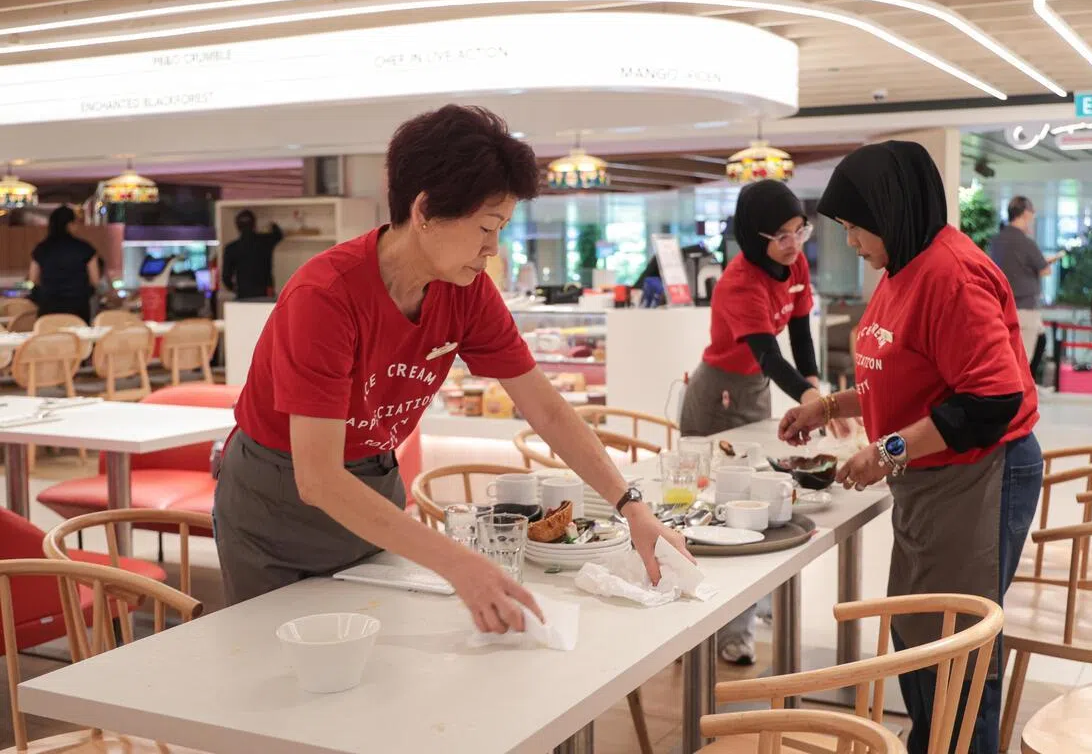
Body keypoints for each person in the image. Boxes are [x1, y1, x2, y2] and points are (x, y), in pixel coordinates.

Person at [213, 105, 690, 633]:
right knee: (276, 680)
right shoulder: (325, 297)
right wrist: (458, 562)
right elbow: (319, 478)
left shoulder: (467, 292)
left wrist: (630, 504)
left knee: (374, 674)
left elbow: (548, 411)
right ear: (424, 210)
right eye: (486, 228)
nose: (493, 249)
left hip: (374, 485)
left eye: (502, 228)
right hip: (277, 503)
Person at [780, 141, 1043, 754]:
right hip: (933, 478)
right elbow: (896, 371)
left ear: (893, 211)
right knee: (922, 628)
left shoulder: (951, 274)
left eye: (854, 227)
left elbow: (991, 400)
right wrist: (827, 406)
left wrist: (888, 450)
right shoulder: (903, 268)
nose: (851, 242)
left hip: (979, 473)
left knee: (956, 643)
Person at [679, 180, 850, 665]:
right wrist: (818, 401)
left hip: (752, 387)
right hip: (717, 392)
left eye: (799, 229)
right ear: (755, 238)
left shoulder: (794, 265)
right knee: (717, 505)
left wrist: (817, 392)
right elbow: (770, 356)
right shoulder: (738, 283)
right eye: (781, 235)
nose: (794, 243)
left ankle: (751, 604)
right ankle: (721, 627)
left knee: (761, 496)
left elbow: (799, 333)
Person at [989, 196, 1063, 360]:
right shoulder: (1026, 242)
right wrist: (1046, 262)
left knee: (1034, 342)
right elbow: (1045, 271)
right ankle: (1024, 386)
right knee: (1023, 358)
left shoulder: (996, 241)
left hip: (1002, 306)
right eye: (1032, 212)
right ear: (1025, 214)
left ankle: (1031, 385)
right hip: (1026, 306)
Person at [29, 205, 100, 323]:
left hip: (48, 306)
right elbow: (95, 280)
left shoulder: (41, 249)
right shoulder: (85, 249)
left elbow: (33, 278)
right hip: (78, 306)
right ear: (69, 224)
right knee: (79, 339)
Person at [221, 210, 284, 299]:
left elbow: (226, 277)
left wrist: (236, 289)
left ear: (237, 227)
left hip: (243, 294)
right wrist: (272, 224)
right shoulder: (265, 241)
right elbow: (279, 234)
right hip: (265, 293)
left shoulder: (231, 248)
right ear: (254, 225)